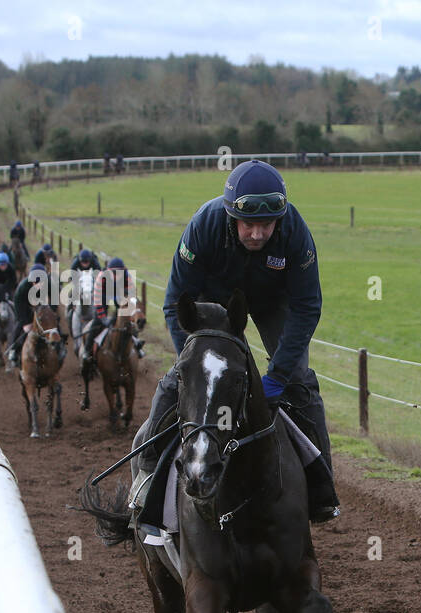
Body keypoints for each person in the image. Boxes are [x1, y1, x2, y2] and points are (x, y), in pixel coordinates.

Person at [130, 158, 340, 523]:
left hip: (274, 301)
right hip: (216, 300)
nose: (258, 234)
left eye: (267, 225)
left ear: (280, 218)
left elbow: (307, 307)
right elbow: (174, 301)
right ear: (231, 217)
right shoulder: (204, 226)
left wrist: (277, 376)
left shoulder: (295, 232)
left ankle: (322, 486)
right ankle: (146, 477)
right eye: (249, 224)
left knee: (301, 381)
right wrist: (193, 365)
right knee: (178, 381)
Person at [5, 261, 64, 368]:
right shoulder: (22, 288)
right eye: (34, 282)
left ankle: (60, 349)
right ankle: (13, 350)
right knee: (19, 328)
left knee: (55, 326)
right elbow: (19, 306)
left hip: (43, 308)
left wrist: (49, 312)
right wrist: (24, 323)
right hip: (26, 308)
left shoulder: (50, 285)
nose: (37, 285)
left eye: (40, 282)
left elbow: (54, 303)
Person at [85, 257, 145, 359]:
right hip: (103, 295)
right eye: (113, 272)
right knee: (97, 321)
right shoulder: (101, 277)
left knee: (129, 321)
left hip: (119, 294)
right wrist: (103, 319)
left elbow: (131, 298)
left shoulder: (127, 277)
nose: (116, 275)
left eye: (119, 272)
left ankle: (136, 344)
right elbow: (98, 301)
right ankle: (87, 350)